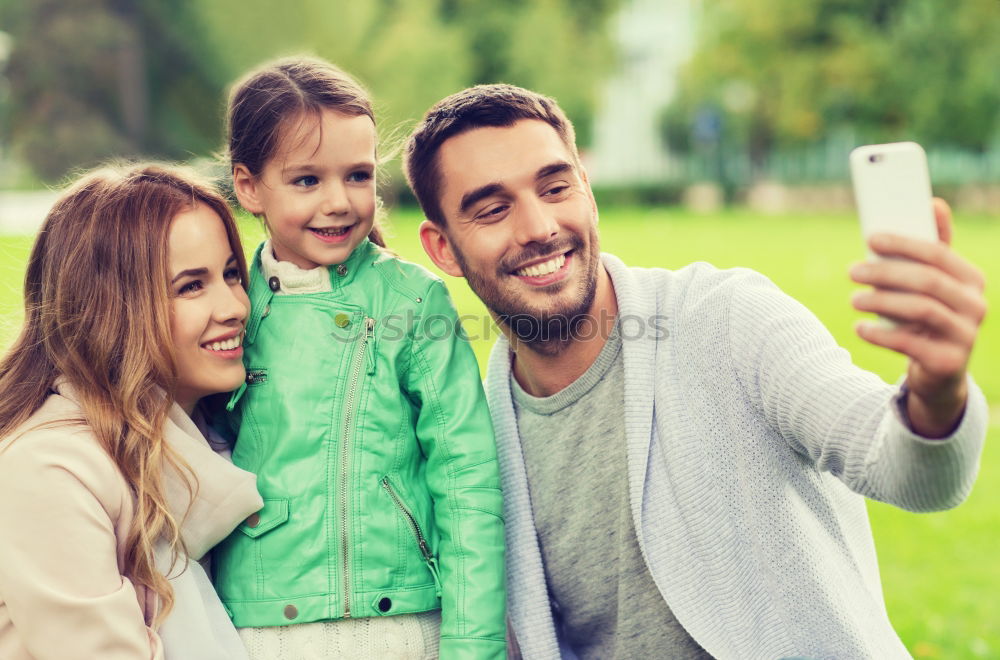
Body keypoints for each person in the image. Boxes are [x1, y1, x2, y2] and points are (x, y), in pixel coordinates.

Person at [405, 84, 989, 659]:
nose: (538, 226)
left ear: (587, 191)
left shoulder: (728, 317)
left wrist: (937, 396)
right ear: (444, 250)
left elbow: (904, 469)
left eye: (556, 187)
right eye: (492, 209)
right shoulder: (472, 438)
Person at [213, 57, 506, 660]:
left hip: (403, 625)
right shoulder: (228, 306)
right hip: (257, 628)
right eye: (306, 180)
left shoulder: (412, 300)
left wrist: (474, 646)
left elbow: (465, 478)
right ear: (248, 186)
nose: (339, 202)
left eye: (357, 176)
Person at [0, 164, 264, 659]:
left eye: (231, 274)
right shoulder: (49, 470)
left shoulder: (214, 445)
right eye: (191, 286)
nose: (233, 306)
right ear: (112, 309)